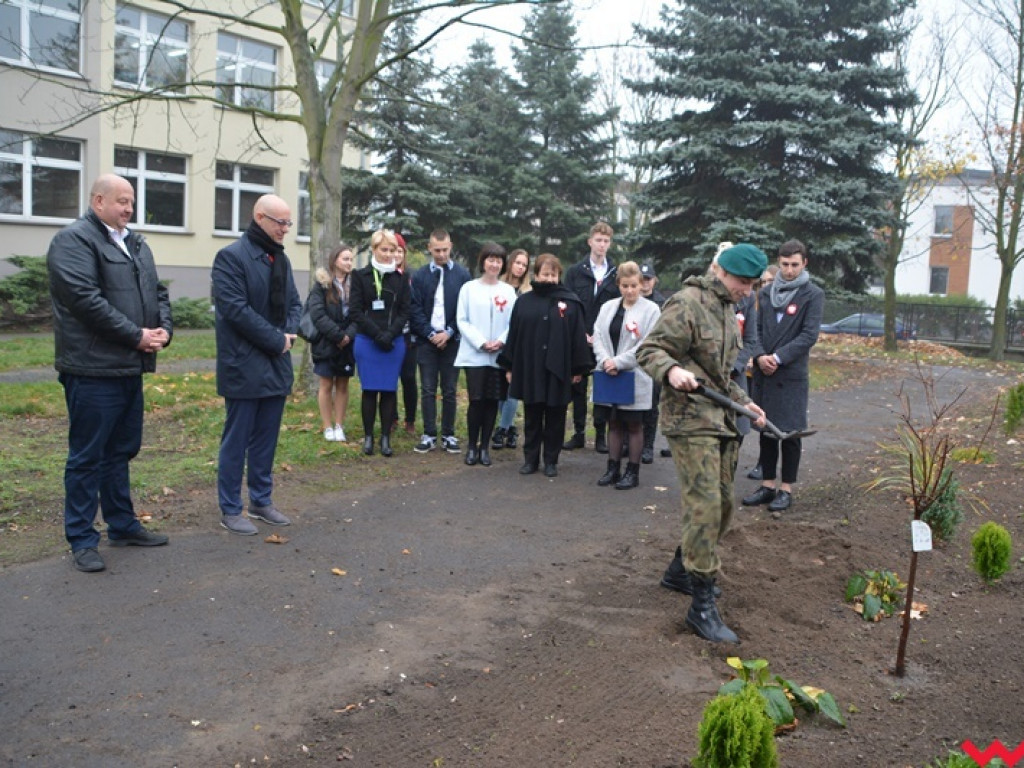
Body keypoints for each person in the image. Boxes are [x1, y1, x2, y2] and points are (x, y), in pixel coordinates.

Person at [637, 243, 768, 644]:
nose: (748, 290)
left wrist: (747, 403)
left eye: (753, 285)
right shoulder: (687, 303)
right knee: (706, 505)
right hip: (689, 420)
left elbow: (719, 374)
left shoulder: (729, 310)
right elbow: (649, 350)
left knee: (725, 504)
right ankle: (701, 605)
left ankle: (681, 570)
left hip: (721, 420)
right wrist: (671, 369)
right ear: (723, 274)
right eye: (744, 283)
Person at [46, 173, 173, 572]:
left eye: (132, 201)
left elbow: (159, 293)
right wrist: (136, 335)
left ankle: (121, 525)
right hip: (91, 368)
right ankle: (82, 538)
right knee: (87, 456)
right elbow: (85, 301)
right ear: (98, 200)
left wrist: (162, 330)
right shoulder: (74, 241)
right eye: (122, 201)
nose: (129, 208)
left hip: (127, 368)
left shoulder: (134, 243)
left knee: (120, 451)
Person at [212, 194, 302, 535]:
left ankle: (261, 501)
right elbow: (235, 310)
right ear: (259, 217)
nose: (285, 229)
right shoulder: (231, 258)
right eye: (280, 222)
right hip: (244, 365)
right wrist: (277, 339)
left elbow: (294, 302)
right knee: (237, 440)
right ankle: (231, 508)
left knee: (266, 439)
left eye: (288, 223)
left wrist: (289, 331)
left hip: (275, 364)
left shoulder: (281, 259)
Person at [742, 239, 824, 513]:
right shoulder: (765, 294)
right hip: (765, 372)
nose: (788, 271)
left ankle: (786, 488)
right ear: (778, 263)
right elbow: (756, 330)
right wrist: (761, 355)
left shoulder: (812, 295)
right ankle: (767, 485)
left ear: (804, 264)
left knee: (790, 433)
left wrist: (777, 358)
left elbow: (809, 335)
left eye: (794, 265)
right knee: (766, 430)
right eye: (785, 265)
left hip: (790, 374)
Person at [498, 254, 591, 478]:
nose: (549, 278)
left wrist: (578, 369)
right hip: (531, 368)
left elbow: (578, 337)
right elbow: (515, 335)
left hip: (559, 369)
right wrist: (509, 366)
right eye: (545, 274)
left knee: (556, 418)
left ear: (559, 275)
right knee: (532, 416)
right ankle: (530, 460)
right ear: (536, 274)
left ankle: (551, 460)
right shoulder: (524, 301)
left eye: (553, 274)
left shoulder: (570, 302)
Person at [592, 261, 661, 490]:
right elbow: (598, 335)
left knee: (633, 425)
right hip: (608, 372)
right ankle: (612, 468)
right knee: (613, 422)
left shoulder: (651, 310)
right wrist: (605, 361)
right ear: (618, 285)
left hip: (634, 374)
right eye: (624, 286)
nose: (629, 291)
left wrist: (619, 362)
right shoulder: (608, 307)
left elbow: (646, 344)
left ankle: (632, 471)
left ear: (641, 284)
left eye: (633, 286)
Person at [349, 229, 411, 457]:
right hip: (367, 340)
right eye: (384, 250)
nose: (388, 254)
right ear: (374, 250)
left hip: (393, 342)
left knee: (388, 390)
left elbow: (405, 311)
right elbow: (356, 311)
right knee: (369, 390)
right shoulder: (360, 275)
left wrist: (391, 334)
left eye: (392, 250)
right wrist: (377, 334)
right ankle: (368, 437)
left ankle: (385, 437)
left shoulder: (401, 278)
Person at [454, 242, 518, 466]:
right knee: (477, 400)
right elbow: (462, 319)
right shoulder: (469, 288)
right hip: (475, 355)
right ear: (483, 262)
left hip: (498, 355)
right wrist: (481, 342)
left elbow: (514, 322)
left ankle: (485, 447)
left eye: (499, 261)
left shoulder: (508, 291)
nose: (494, 264)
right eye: (491, 259)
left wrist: (500, 341)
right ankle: (471, 446)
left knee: (492, 400)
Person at [409, 229, 472, 454]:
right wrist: (430, 334)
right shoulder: (420, 276)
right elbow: (414, 307)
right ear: (429, 248)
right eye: (437, 250)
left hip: (452, 340)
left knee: (449, 388)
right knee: (427, 388)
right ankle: (428, 434)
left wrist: (449, 332)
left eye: (445, 250)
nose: (441, 254)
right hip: (427, 341)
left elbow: (465, 308)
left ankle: (448, 434)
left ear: (450, 247)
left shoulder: (463, 275)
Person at [562, 222, 620, 454]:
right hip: (579, 338)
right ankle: (578, 433)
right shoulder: (576, 271)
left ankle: (600, 436)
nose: (602, 245)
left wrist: (600, 335)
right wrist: (580, 332)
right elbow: (566, 304)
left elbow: (618, 307)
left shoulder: (615, 273)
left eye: (606, 241)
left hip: (604, 340)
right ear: (590, 242)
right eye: (598, 240)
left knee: (601, 388)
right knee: (578, 386)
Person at [308, 243, 356, 442]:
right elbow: (317, 314)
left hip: (348, 343)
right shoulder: (322, 284)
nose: (349, 263)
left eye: (351, 259)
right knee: (326, 384)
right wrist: (338, 335)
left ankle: (339, 425)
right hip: (326, 342)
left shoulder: (356, 284)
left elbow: (359, 313)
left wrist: (348, 335)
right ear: (335, 260)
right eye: (345, 259)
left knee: (343, 384)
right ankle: (327, 427)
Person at [492, 248, 532, 451]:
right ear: (510, 263)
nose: (520, 267)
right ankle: (510, 428)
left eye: (524, 265)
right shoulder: (498, 285)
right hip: (498, 343)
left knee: (512, 388)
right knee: (500, 389)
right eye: (518, 263)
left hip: (519, 345)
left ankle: (502, 428)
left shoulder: (527, 291)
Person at [745, 263, 779, 481]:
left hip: (771, 367)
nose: (765, 285)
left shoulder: (776, 305)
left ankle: (763, 463)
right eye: (762, 281)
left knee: (768, 416)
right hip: (751, 368)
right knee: (753, 415)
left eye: (769, 281)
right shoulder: (751, 302)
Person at [638, 262, 669, 462]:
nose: (644, 284)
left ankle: (648, 445)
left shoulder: (662, 303)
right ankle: (628, 443)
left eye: (648, 279)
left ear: (654, 280)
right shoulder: (630, 300)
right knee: (629, 403)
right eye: (641, 279)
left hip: (654, 358)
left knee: (651, 404)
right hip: (633, 358)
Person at [394, 233, 418, 436]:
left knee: (409, 378)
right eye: (392, 250)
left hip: (408, 335)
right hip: (388, 335)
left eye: (399, 251)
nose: (396, 254)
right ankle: (391, 417)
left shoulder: (411, 276)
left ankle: (410, 419)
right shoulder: (381, 274)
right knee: (389, 378)